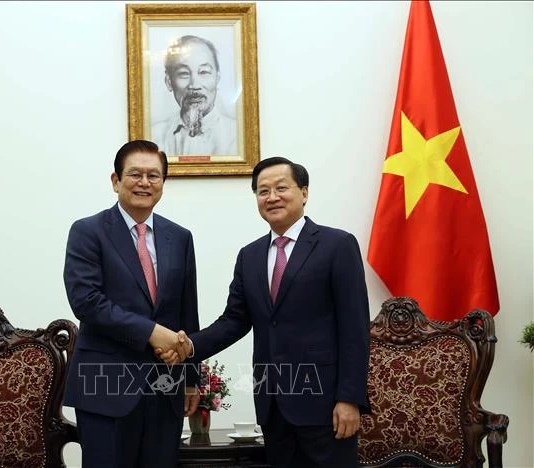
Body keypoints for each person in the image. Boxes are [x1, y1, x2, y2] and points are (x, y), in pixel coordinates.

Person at [159, 157, 371, 467]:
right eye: (262, 191)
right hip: (273, 406)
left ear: (304, 192)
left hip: (327, 406)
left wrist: (350, 399)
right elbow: (234, 321)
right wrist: (188, 346)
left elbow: (354, 329)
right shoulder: (250, 256)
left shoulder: (336, 245)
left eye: (281, 188)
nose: (272, 197)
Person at [63, 140, 200, 468]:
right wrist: (152, 332)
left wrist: (192, 380)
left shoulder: (179, 237)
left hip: (166, 388)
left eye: (154, 176)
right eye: (135, 174)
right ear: (115, 181)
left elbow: (187, 311)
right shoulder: (88, 231)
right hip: (106, 387)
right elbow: (87, 302)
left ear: (163, 184)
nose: (144, 182)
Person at [151, 35, 238, 157]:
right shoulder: (154, 137)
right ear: (169, 82)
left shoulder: (237, 135)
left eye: (203, 72)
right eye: (184, 73)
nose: (194, 85)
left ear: (217, 78)